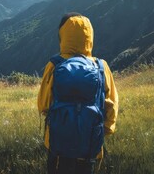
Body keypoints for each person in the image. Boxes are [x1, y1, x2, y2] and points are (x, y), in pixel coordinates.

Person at [37, 13, 119, 174]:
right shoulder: (101, 67)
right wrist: (104, 131)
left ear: (63, 36)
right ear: (89, 36)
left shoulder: (54, 65)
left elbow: (44, 105)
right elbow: (111, 105)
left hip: (58, 144)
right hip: (90, 145)